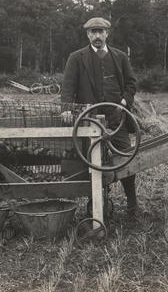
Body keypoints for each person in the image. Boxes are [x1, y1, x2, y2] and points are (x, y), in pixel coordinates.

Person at [61, 17, 139, 215]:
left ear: (107, 33)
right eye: (93, 32)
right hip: (90, 119)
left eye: (100, 31)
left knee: (126, 158)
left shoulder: (120, 57)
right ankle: (95, 206)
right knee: (91, 162)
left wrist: (123, 103)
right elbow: (68, 87)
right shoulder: (76, 58)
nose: (97, 35)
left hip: (117, 119)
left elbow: (131, 84)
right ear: (87, 34)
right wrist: (67, 109)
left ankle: (132, 204)